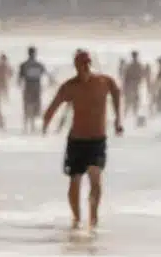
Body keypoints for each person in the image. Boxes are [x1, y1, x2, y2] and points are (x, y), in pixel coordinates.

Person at [42, 49, 123, 231]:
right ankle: (77, 219)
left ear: (90, 64)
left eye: (87, 63)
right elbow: (54, 105)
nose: (85, 67)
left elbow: (116, 92)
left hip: (97, 140)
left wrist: (118, 119)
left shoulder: (103, 82)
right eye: (81, 64)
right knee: (75, 180)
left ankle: (93, 219)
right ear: (76, 66)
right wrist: (46, 123)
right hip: (77, 141)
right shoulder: (70, 86)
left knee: (95, 176)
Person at [18, 46, 50, 134]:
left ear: (28, 53)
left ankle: (26, 126)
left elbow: (19, 79)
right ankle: (32, 126)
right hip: (36, 88)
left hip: (28, 88)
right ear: (35, 53)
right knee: (35, 107)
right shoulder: (39, 64)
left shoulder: (24, 65)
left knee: (27, 107)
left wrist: (20, 85)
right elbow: (46, 75)